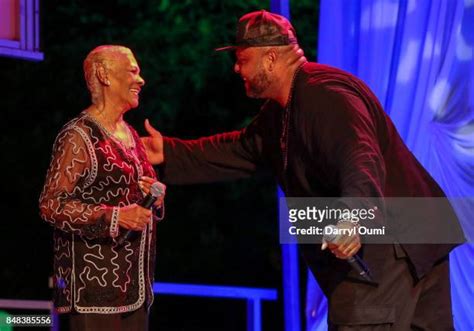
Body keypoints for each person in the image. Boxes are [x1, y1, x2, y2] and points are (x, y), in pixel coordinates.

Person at [140, 10, 464, 330]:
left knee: (361, 320)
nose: (237, 68)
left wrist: (352, 217)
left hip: (387, 236)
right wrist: (168, 152)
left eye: (243, 58)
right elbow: (237, 148)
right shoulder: (281, 111)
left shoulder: (325, 95)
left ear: (270, 58)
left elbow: (360, 156)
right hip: (418, 227)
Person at [39, 45, 164, 331]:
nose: (141, 79)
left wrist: (154, 197)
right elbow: (51, 204)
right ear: (104, 75)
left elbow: (137, 198)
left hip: (134, 287)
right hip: (92, 292)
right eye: (133, 70)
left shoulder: (130, 134)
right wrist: (115, 216)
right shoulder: (78, 136)